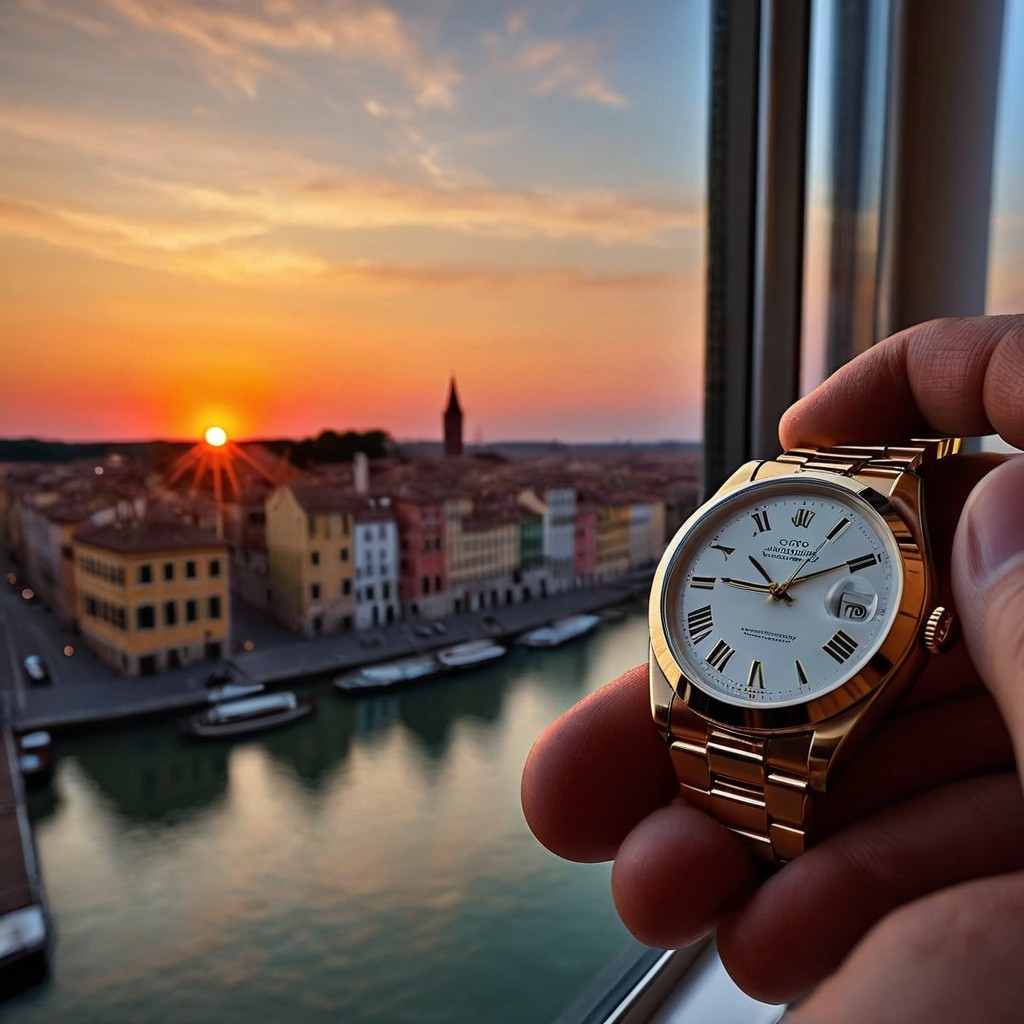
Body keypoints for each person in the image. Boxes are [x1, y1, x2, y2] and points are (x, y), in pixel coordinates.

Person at [521, 314, 1024, 1022]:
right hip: (712, 690)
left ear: (929, 630)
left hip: (796, 721)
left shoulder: (916, 561)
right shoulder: (760, 485)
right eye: (773, 586)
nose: (781, 594)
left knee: (724, 896)